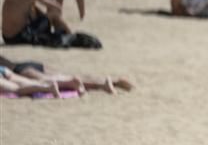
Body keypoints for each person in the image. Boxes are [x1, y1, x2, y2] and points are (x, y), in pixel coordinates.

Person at [0, 55, 134, 94]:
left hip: (21, 69)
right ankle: (110, 82)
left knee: (54, 80)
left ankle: (102, 84)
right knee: (63, 75)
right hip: (25, 63)